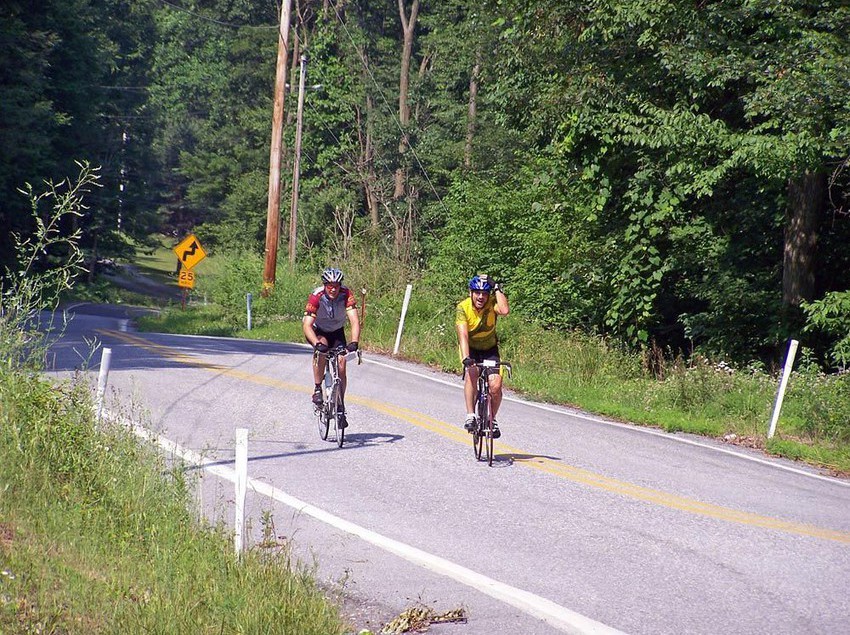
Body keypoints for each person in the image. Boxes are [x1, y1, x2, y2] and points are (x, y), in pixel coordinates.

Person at [303, 268, 361, 428]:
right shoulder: (317, 296)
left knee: (342, 363)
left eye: (336, 285)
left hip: (337, 332)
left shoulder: (346, 294)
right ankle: (317, 389)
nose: (333, 289)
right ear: (325, 285)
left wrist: (354, 342)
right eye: (330, 286)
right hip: (319, 331)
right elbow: (307, 325)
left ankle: (340, 406)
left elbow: (355, 321)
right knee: (321, 350)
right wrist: (317, 344)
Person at [455, 273, 510, 438]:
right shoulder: (462, 307)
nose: (481, 297)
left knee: (496, 386)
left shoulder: (492, 304)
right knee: (472, 373)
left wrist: (497, 288)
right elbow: (463, 335)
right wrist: (466, 358)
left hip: (489, 349)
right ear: (470, 292)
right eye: (477, 293)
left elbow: (505, 310)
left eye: (485, 293)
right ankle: (471, 415)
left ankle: (492, 419)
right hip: (470, 349)